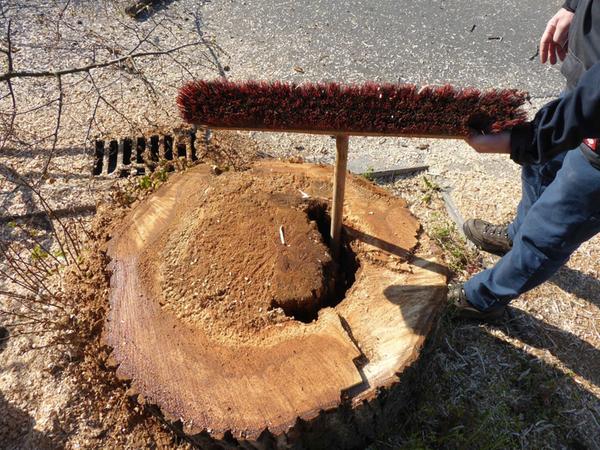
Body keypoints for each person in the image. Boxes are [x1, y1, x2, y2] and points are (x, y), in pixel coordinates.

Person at [449, 0, 600, 320]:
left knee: (548, 234)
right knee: (540, 166)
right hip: (588, 86)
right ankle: (515, 235)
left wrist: (526, 140)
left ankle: (479, 299)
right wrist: (576, 7)